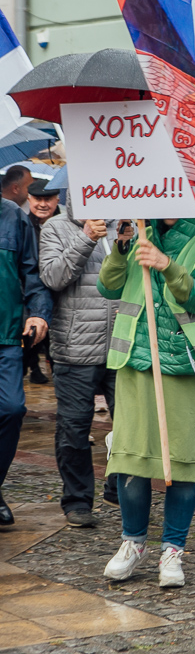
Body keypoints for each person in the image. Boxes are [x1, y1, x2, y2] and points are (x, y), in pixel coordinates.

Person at [97, 218, 195, 588]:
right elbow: (108, 286)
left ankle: (173, 549)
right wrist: (122, 247)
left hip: (191, 366)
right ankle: (133, 542)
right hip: (137, 362)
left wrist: (167, 266)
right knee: (130, 456)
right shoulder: (137, 229)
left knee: (183, 462)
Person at [38, 194, 118, 527]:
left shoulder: (126, 225)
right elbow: (53, 278)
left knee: (130, 427)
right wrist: (86, 238)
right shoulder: (55, 227)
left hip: (122, 346)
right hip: (75, 348)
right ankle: (77, 500)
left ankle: (120, 489)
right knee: (73, 430)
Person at [0, 192, 50, 526]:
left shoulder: (12, 216)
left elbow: (31, 272)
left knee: (12, 408)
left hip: (6, 334)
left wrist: (38, 312)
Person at [24, 179, 59, 384]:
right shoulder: (22, 225)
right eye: (38, 199)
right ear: (29, 199)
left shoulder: (66, 225)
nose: (43, 204)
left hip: (59, 295)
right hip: (30, 295)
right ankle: (33, 367)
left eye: (48, 199)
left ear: (57, 200)